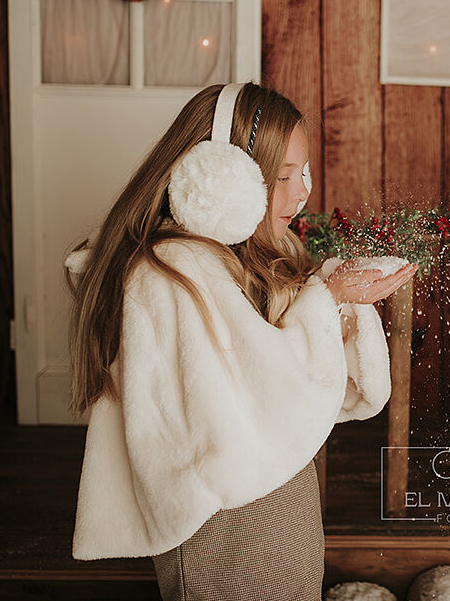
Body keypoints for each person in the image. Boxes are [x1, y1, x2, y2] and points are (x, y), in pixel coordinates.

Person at [65, 82, 416, 600]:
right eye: (282, 176)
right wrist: (325, 298)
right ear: (225, 176)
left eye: (304, 173)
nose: (301, 194)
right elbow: (250, 396)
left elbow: (288, 385)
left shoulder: (242, 258)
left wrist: (335, 300)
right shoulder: (168, 272)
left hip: (279, 490)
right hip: (224, 522)